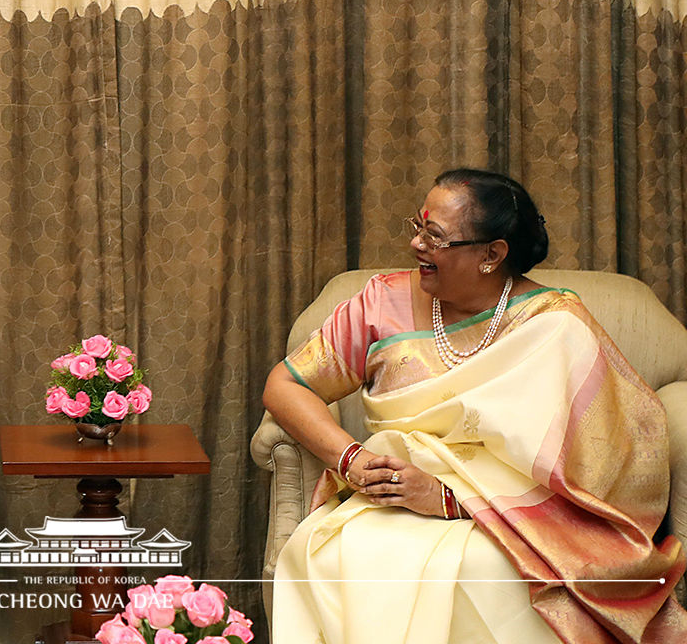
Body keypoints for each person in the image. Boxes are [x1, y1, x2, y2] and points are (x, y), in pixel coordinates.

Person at [263, 168, 687, 644]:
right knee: (340, 553)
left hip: (516, 523)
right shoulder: (381, 303)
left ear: (492, 254)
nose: (417, 245)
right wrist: (351, 458)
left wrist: (451, 498)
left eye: (436, 236)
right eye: (418, 227)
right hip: (385, 503)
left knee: (483, 569)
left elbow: (611, 457)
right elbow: (284, 384)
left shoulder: (555, 325)